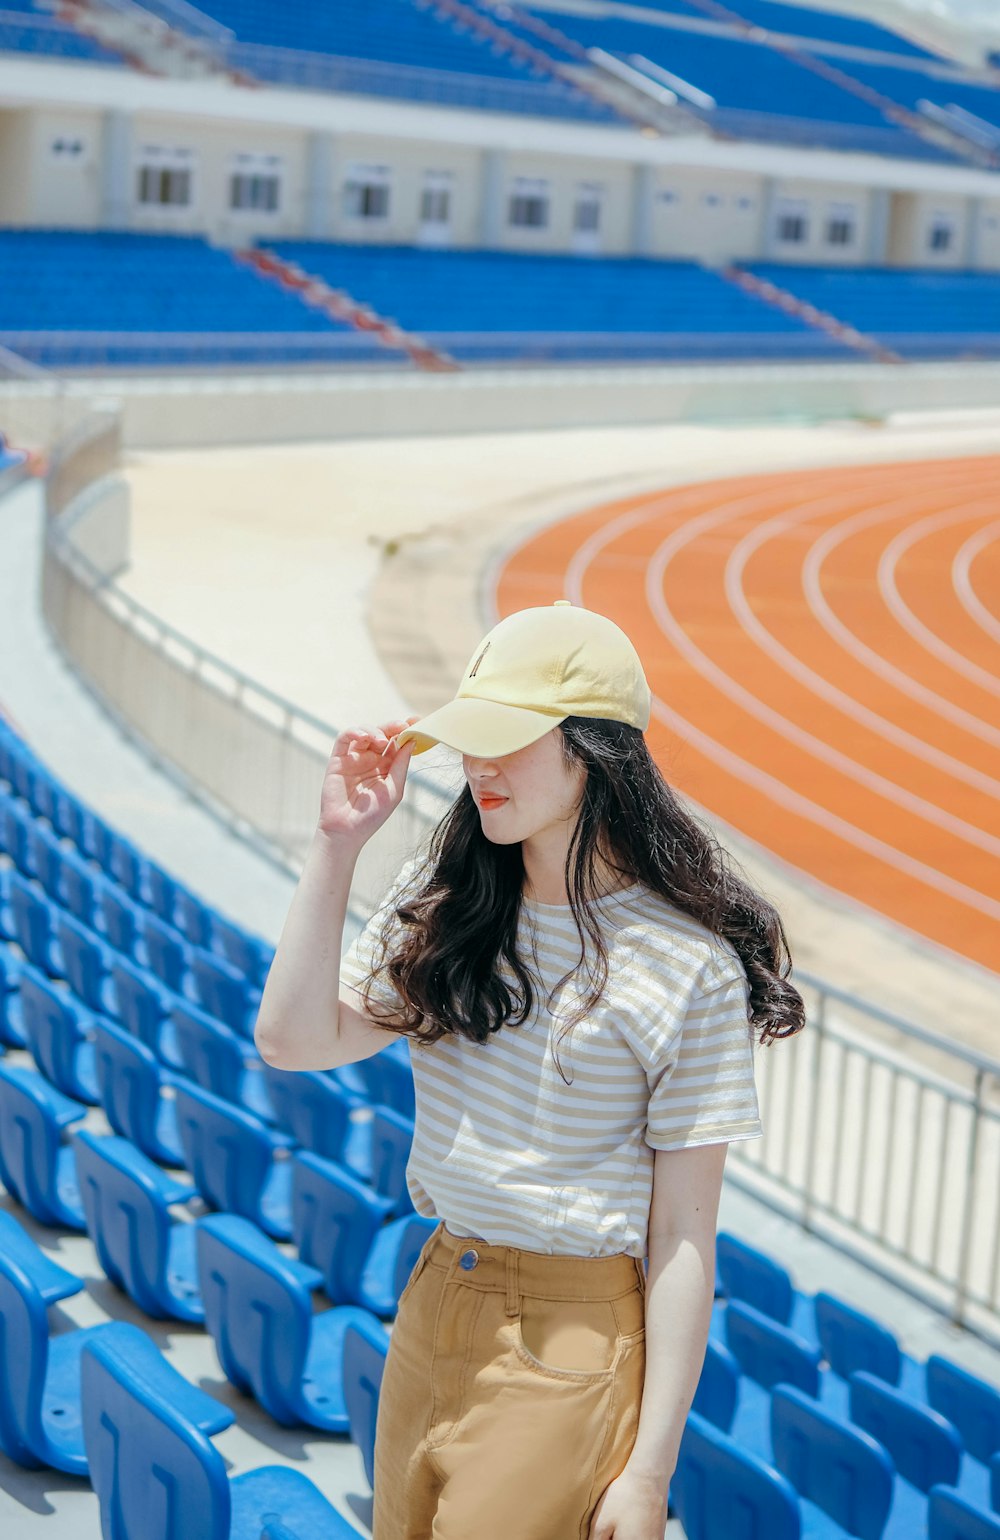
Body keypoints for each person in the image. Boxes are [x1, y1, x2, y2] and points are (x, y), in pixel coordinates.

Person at [255, 599, 805, 1540]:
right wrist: (336, 845)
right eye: (468, 740)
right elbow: (293, 1042)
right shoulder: (447, 904)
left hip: (572, 1329)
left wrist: (648, 1472)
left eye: (507, 741)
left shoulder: (686, 967)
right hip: (435, 1290)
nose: (477, 767)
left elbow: (680, 1235)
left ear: (594, 753)